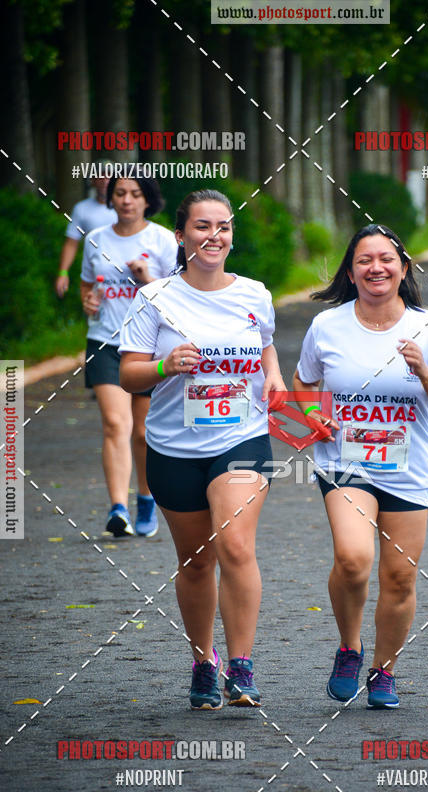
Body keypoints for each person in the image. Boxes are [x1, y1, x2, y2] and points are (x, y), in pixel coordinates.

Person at [119, 189, 286, 710]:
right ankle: (203, 662)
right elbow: (129, 373)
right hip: (173, 447)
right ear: (181, 235)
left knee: (234, 544)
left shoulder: (254, 294)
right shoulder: (155, 299)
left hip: (241, 438)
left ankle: (241, 667)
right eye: (202, 226)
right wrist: (166, 366)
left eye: (224, 227)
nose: (214, 236)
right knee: (195, 563)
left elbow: (265, 348)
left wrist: (275, 379)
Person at [293, 224, 428, 709]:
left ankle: (383, 671)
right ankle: (349, 647)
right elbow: (303, 383)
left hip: (408, 470)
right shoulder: (328, 326)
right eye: (365, 259)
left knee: (400, 578)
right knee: (353, 559)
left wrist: (424, 371)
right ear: (351, 271)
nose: (376, 267)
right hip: (345, 463)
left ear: (403, 268)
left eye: (386, 258)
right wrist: (310, 414)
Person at [80, 175, 177, 537]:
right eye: (120, 193)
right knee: (114, 424)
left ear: (147, 200)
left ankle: (146, 500)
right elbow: (87, 287)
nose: (126, 200)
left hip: (150, 345)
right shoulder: (95, 240)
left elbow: (179, 296)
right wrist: (87, 301)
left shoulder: (163, 240)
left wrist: (147, 278)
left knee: (143, 431)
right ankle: (117, 508)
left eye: (135, 194)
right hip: (105, 341)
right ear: (110, 198)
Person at [55, 168, 117, 297]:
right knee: (93, 311)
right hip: (94, 275)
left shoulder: (126, 206)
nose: (105, 181)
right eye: (100, 176)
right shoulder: (81, 208)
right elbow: (71, 243)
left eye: (109, 176)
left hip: (124, 273)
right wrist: (63, 273)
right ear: (93, 181)